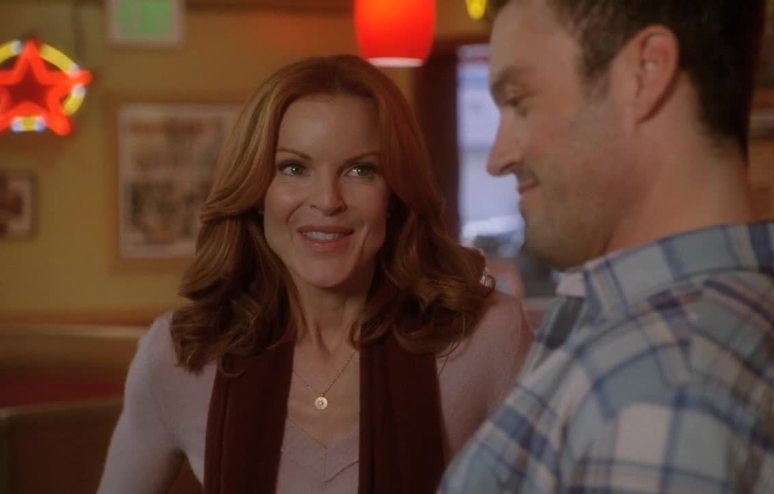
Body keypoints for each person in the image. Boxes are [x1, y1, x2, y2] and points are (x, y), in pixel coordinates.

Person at [98, 54, 532, 493]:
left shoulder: (487, 338)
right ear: (256, 191)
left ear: (395, 194)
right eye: (294, 168)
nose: (327, 200)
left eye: (361, 170)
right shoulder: (179, 356)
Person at [441, 0, 774, 492]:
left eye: (519, 102)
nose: (498, 158)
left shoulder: (663, 394)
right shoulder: (732, 325)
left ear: (644, 73)